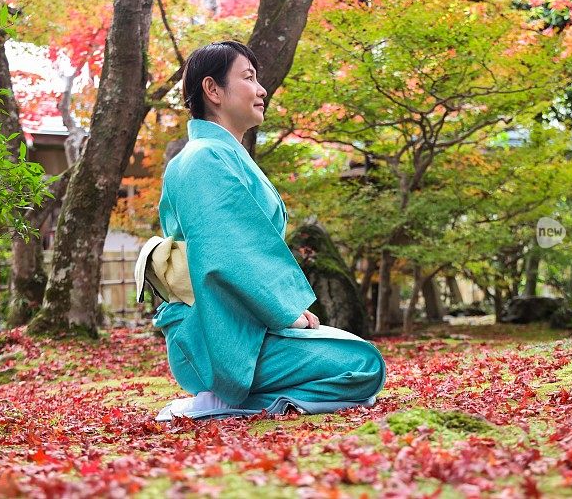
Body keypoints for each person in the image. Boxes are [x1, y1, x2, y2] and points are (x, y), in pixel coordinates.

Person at [135, 41, 386, 421]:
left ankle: (244, 400)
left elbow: (246, 248)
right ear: (213, 90)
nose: (261, 89)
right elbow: (226, 254)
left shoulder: (220, 155)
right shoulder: (202, 158)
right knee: (363, 365)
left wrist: (289, 309)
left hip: (243, 326)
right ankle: (218, 402)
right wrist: (285, 312)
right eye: (248, 78)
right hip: (217, 336)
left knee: (358, 357)